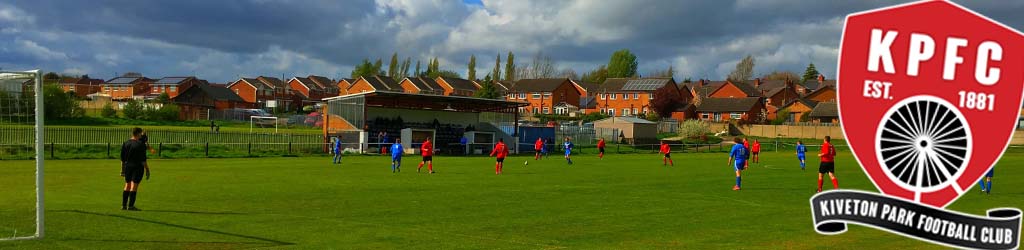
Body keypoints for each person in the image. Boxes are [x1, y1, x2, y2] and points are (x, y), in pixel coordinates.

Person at [120, 127, 150, 211]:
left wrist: (122, 170)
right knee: (134, 186)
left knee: (127, 185)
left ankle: (123, 205)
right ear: (138, 133)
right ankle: (131, 206)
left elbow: (122, 159)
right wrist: (147, 169)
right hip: (137, 167)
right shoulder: (140, 145)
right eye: (141, 133)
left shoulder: (126, 143)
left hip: (128, 167)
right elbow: (143, 160)